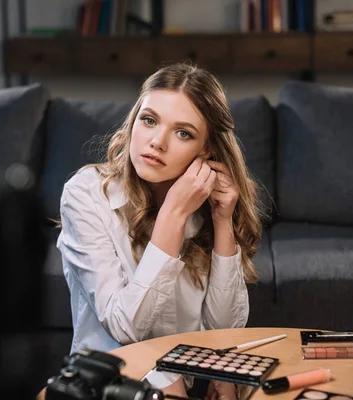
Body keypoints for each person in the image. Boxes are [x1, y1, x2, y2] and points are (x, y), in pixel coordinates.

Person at [56, 62, 264, 398]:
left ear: (205, 151)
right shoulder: (86, 194)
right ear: (134, 120)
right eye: (149, 120)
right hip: (108, 376)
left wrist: (223, 220)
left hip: (183, 372)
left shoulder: (206, 203)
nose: (157, 142)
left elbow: (225, 328)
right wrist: (174, 213)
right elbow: (125, 328)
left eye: (183, 133)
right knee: (168, 386)